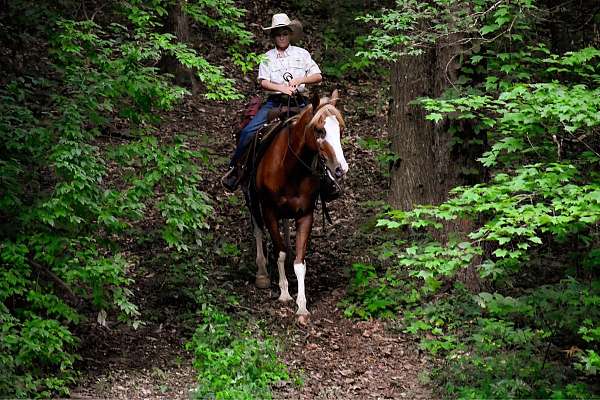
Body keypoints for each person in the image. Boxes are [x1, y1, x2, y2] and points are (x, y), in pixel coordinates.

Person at [222, 13, 323, 191]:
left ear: (290, 34)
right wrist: (282, 88)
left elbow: (318, 76)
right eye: (277, 34)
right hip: (275, 102)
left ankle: (325, 178)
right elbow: (263, 82)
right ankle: (235, 170)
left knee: (319, 132)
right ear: (273, 36)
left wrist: (300, 80)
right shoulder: (266, 57)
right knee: (248, 132)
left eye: (284, 33)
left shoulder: (302, 54)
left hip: (299, 101)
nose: (281, 37)